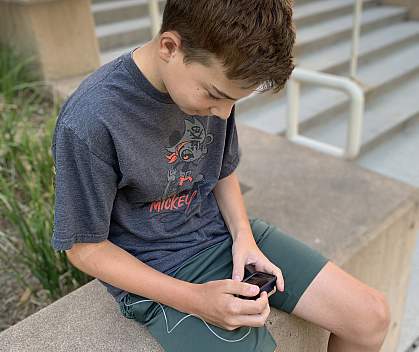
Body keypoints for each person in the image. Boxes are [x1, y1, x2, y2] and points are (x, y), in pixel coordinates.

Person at [50, 1, 391, 351]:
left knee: (370, 317)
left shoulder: (211, 89)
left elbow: (220, 170)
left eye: (233, 101)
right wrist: (196, 300)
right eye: (215, 95)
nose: (223, 113)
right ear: (170, 47)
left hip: (220, 234)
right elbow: (84, 249)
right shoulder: (91, 119)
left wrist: (244, 238)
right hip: (155, 266)